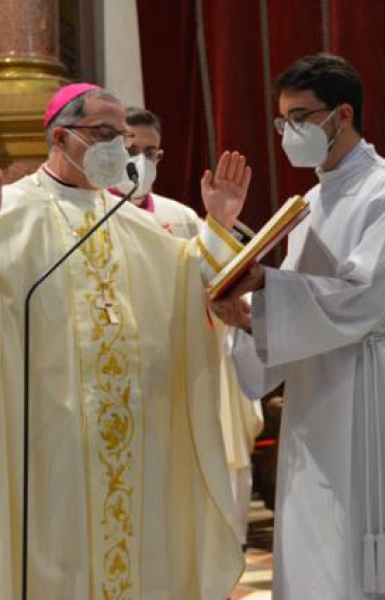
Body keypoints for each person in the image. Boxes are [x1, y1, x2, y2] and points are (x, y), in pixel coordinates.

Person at [0, 83, 252, 599]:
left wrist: (220, 222)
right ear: (61, 136)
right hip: (48, 441)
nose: (121, 148)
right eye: (107, 134)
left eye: (126, 137)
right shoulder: (10, 217)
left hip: (133, 443)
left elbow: (188, 283)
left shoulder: (128, 223)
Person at [213, 53, 385, 599]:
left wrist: (265, 285)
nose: (288, 132)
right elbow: (298, 304)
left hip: (369, 385)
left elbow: (365, 296)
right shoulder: (311, 202)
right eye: (282, 121)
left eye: (300, 118)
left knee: (369, 523)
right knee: (314, 524)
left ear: (342, 114)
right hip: (315, 392)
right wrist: (246, 319)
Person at [113, 106, 264, 548]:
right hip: (116, 374)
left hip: (179, 372)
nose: (142, 162)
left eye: (151, 153)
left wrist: (220, 223)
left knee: (176, 506)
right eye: (131, 149)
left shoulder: (181, 219)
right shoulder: (88, 214)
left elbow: (214, 278)